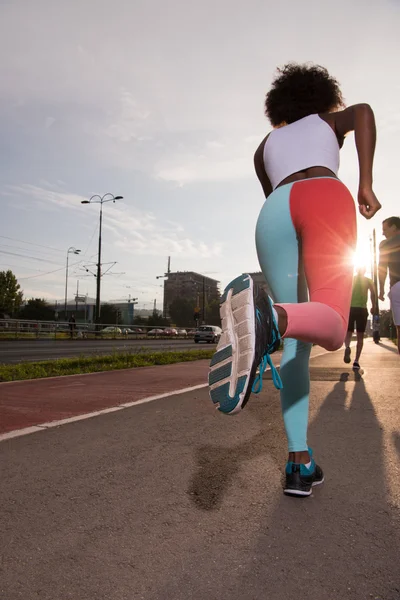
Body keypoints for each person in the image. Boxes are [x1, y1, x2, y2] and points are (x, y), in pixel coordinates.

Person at [208, 63, 381, 497]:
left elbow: (276, 195)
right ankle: (269, 317)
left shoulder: (264, 146)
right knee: (333, 326)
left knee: (299, 342)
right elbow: (363, 111)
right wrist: (365, 183)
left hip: (273, 214)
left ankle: (299, 462)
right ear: (321, 97)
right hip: (324, 196)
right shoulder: (326, 120)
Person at [344, 267, 377, 369]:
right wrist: (374, 306)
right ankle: (356, 361)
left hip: (350, 308)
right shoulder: (368, 280)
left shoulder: (351, 279)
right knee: (360, 336)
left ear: (357, 271)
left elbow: (344, 292)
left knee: (348, 332)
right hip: (362, 309)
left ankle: (347, 346)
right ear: (364, 271)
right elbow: (373, 294)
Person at [378, 216, 400, 353]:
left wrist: (381, 290)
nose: (383, 233)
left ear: (394, 227)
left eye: (385, 229)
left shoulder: (385, 244)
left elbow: (382, 269)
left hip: (398, 286)